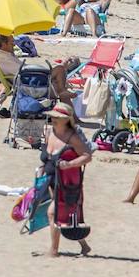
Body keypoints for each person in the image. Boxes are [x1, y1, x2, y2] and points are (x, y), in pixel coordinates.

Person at [43, 105, 92, 257]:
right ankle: (84, 245)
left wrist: (69, 164)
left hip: (66, 183)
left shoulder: (73, 138)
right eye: (52, 116)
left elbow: (87, 156)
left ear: (65, 120)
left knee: (53, 213)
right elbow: (46, 156)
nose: (53, 119)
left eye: (57, 117)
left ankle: (54, 251)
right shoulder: (49, 132)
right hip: (51, 180)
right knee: (65, 214)